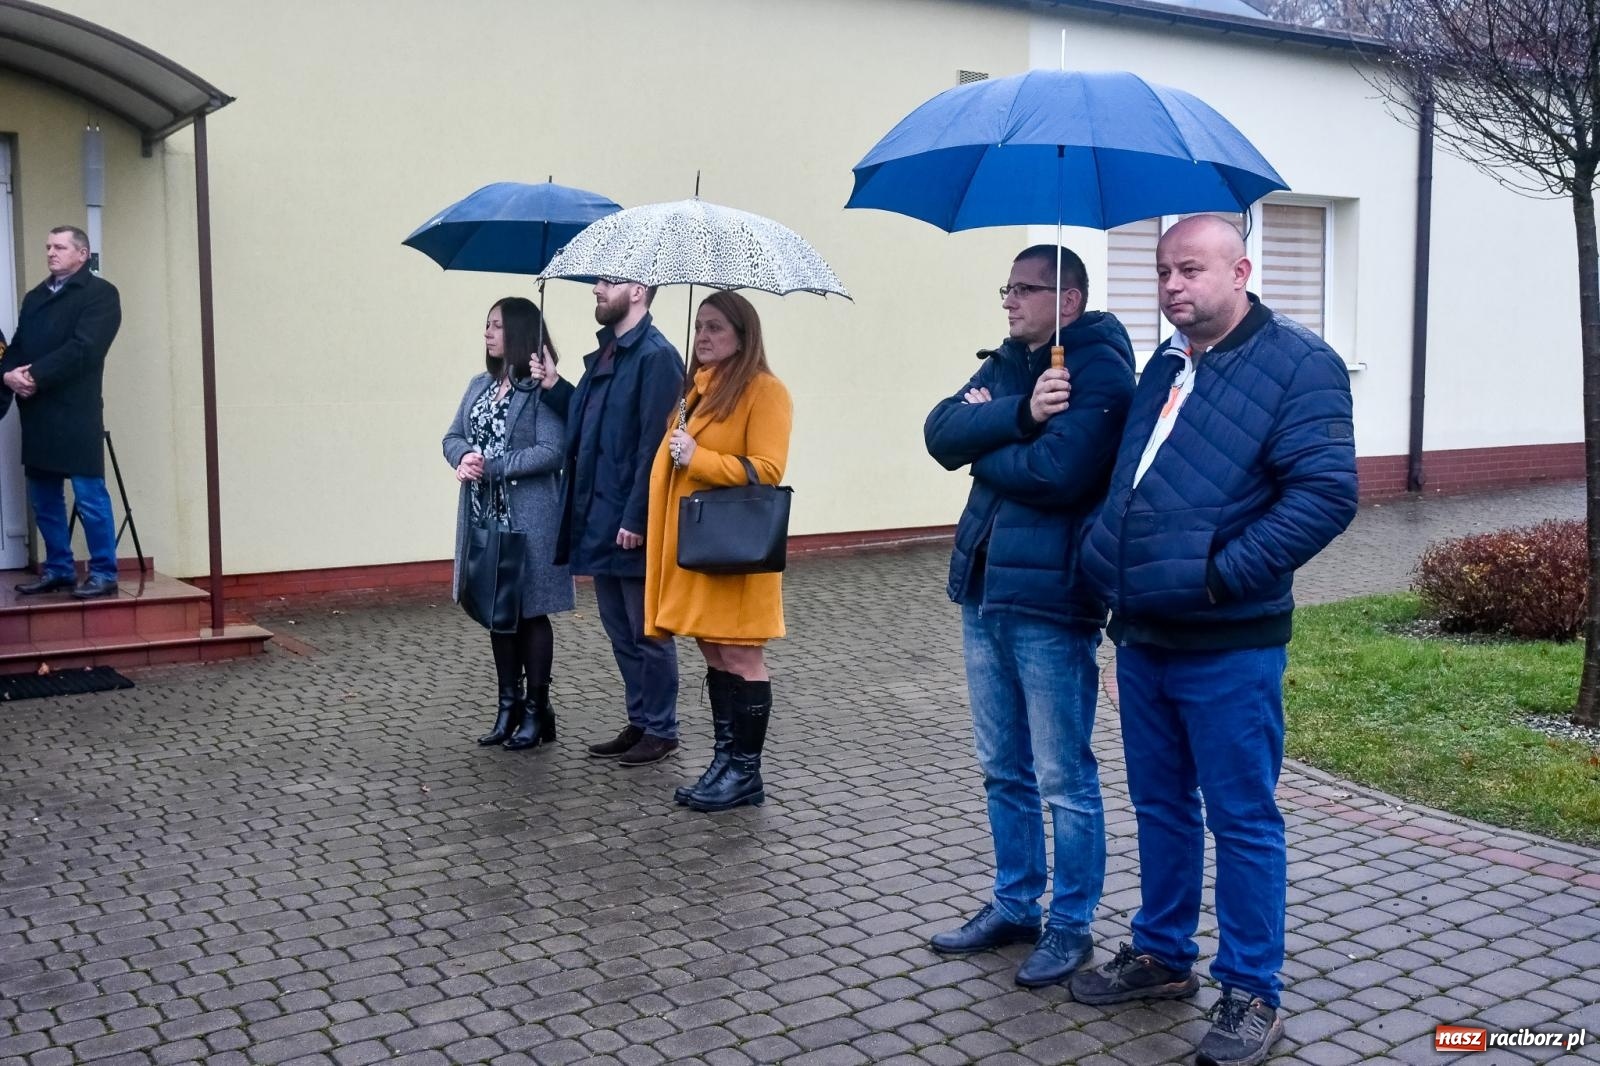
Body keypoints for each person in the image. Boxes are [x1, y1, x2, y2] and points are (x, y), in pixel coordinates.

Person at [1073, 214, 1358, 1066]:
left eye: (1189, 270)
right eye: (1163, 272)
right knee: (1160, 806)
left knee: (1242, 818)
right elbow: (1132, 476)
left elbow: (1325, 496)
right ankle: (1162, 954)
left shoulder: (1300, 365)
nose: (1171, 288)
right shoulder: (1164, 363)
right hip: (1145, 631)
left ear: (1241, 270)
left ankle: (1251, 993)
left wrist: (1219, 576)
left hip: (1230, 638)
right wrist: (1103, 554)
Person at [922, 245, 1135, 987]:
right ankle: (1016, 904)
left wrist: (987, 448)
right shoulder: (1012, 364)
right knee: (999, 768)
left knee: (1063, 777)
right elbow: (939, 433)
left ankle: (1071, 925)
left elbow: (1059, 473)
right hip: (982, 587)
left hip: (1052, 601)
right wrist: (1018, 415)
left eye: (1023, 289)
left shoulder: (1101, 370)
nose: (1007, 302)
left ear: (1067, 300)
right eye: (1005, 288)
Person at [642, 291, 792, 812]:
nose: (703, 337)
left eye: (716, 328)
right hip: (697, 550)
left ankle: (746, 772)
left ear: (743, 336)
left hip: (735, 549)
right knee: (712, 648)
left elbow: (768, 471)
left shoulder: (764, 391)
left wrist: (700, 457)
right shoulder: (698, 390)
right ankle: (725, 762)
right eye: (700, 327)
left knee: (740, 654)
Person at [537, 280, 684, 766]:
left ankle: (662, 730)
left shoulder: (656, 357)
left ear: (638, 291)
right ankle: (639, 722)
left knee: (648, 633)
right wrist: (556, 386)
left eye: (607, 281)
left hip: (628, 522)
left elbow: (653, 446)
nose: (596, 289)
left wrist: (636, 516)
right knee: (621, 633)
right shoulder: (609, 354)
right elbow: (592, 422)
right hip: (597, 518)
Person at [443, 298, 574, 750]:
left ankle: (538, 712)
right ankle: (508, 708)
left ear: (519, 332)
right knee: (499, 614)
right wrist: (463, 458)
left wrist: (495, 465)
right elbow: (452, 436)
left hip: (529, 518)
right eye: (485, 324)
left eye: (496, 325)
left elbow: (551, 452)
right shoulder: (479, 384)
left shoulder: (539, 389)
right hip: (484, 516)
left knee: (530, 613)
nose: (487, 332)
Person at [0, 226, 123, 598]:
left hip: (76, 410)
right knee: (44, 496)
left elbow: (85, 349)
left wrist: (34, 376)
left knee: (90, 494)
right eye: (48, 246)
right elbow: (20, 343)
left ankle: (104, 572)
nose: (51, 253)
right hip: (38, 410)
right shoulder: (36, 297)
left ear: (82, 254)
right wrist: (9, 375)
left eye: (59, 247)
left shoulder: (100, 295)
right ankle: (59, 569)